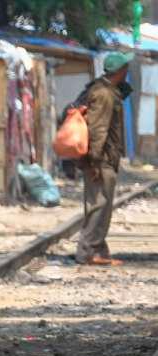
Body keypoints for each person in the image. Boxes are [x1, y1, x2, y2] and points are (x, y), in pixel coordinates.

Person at [75, 51, 134, 266]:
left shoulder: (105, 89)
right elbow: (98, 130)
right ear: (120, 71)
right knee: (98, 205)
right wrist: (94, 161)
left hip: (104, 158)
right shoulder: (104, 94)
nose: (127, 72)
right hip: (101, 160)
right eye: (125, 68)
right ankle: (87, 252)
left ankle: (98, 249)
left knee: (103, 205)